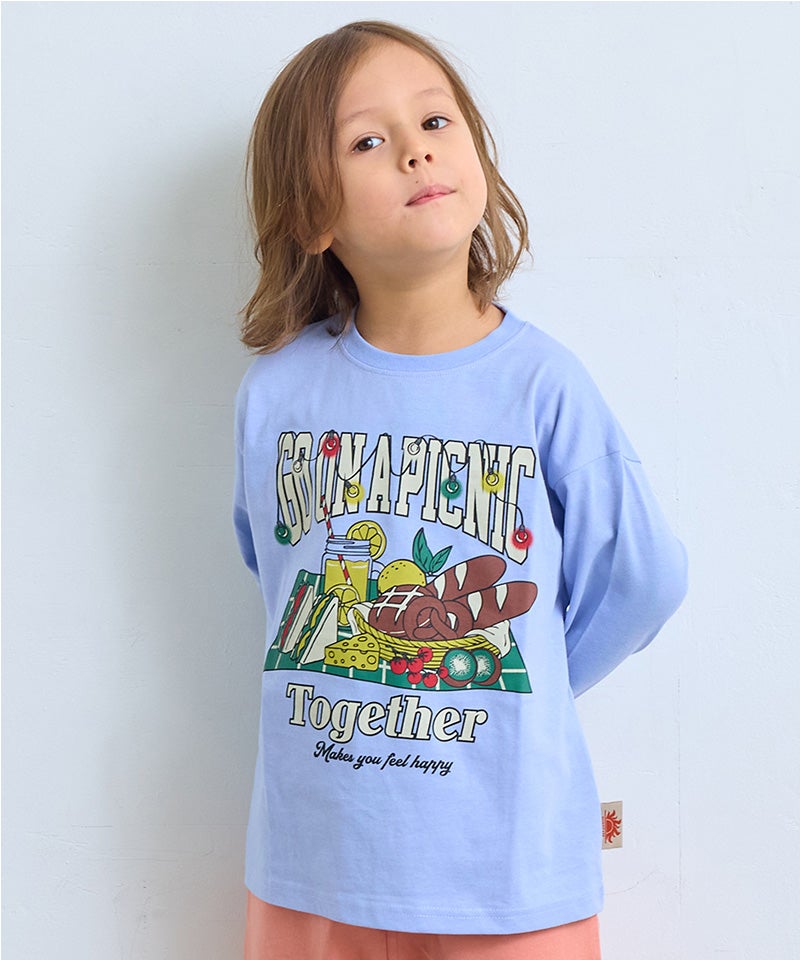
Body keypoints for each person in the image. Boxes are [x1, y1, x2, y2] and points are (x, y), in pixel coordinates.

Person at [232, 20, 688, 960]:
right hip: (313, 863)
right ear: (314, 217)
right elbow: (271, 565)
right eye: (367, 140)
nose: (415, 149)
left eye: (436, 120)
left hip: (503, 874)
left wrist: (524, 685)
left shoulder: (541, 385)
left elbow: (643, 578)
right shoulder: (277, 392)